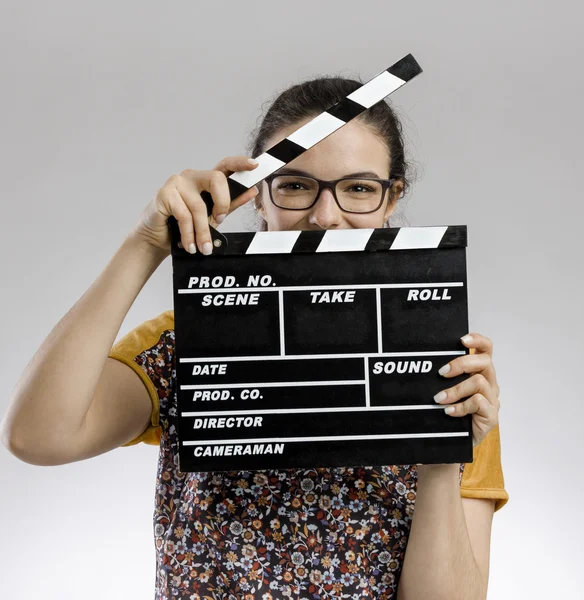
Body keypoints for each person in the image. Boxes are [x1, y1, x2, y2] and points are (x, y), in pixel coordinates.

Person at [1, 75, 508, 600]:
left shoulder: (453, 374)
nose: (324, 216)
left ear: (391, 198)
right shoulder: (187, 340)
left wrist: (441, 452)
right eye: (294, 184)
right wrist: (145, 243)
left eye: (358, 188)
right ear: (257, 196)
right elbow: (38, 436)